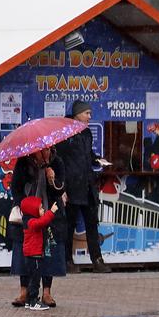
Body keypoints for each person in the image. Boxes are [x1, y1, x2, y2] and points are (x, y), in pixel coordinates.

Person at [8, 147, 67, 307]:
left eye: (48, 150)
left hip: (49, 212)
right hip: (28, 214)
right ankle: (24, 291)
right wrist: (28, 206)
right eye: (42, 151)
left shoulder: (57, 162)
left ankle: (46, 292)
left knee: (48, 250)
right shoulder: (23, 163)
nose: (46, 154)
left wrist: (52, 180)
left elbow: (61, 189)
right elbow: (16, 189)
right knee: (25, 251)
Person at [56, 101, 110, 273]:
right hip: (72, 186)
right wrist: (62, 186)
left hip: (87, 185)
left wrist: (97, 159)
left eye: (90, 113)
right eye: (86, 113)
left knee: (92, 224)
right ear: (77, 114)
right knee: (69, 224)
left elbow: (88, 155)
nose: (89, 116)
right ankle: (67, 260)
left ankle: (97, 259)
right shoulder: (65, 133)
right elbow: (60, 160)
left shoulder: (86, 133)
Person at [18, 195, 59, 312]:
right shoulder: (31, 222)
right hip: (33, 256)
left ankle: (29, 300)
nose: (43, 210)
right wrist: (51, 212)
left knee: (33, 278)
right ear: (33, 210)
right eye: (41, 208)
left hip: (32, 255)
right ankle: (33, 301)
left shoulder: (28, 220)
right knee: (35, 280)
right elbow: (42, 222)